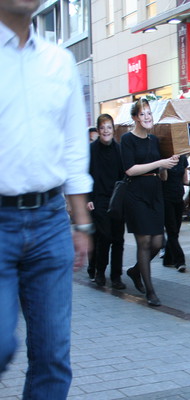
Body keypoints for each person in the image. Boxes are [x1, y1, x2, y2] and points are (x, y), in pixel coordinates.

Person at [0, 1, 93, 397]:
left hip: (51, 221)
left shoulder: (59, 61)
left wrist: (81, 222)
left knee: (53, 355)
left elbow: (74, 145)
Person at [121, 98, 179, 306]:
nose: (147, 117)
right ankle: (150, 291)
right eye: (143, 114)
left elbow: (160, 172)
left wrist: (167, 165)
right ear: (135, 117)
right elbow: (130, 169)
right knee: (144, 242)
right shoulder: (128, 139)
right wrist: (159, 163)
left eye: (149, 114)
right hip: (136, 193)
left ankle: (136, 271)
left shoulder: (155, 140)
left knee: (157, 243)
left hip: (155, 191)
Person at [88, 114, 126, 288]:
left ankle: (116, 276)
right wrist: (89, 199)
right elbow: (85, 175)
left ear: (113, 130)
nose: (106, 131)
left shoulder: (119, 150)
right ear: (98, 130)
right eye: (102, 128)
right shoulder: (91, 150)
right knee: (104, 236)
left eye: (109, 127)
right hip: (99, 199)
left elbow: (124, 175)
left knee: (118, 239)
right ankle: (100, 272)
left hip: (117, 199)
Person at [162, 156, 190, 273]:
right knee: (172, 231)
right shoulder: (163, 157)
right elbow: (163, 178)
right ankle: (180, 261)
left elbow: (184, 180)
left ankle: (167, 259)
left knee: (175, 231)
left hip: (179, 197)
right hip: (165, 198)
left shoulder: (183, 158)